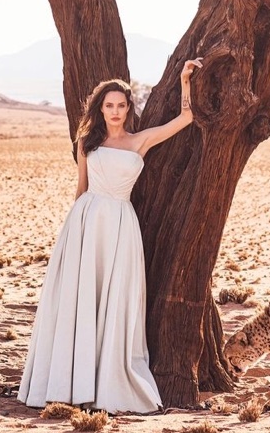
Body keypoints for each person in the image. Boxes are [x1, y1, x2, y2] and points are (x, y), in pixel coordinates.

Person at [17, 58, 203, 414]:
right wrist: (71, 237)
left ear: (128, 108)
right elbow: (81, 189)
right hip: (86, 223)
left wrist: (184, 82)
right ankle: (70, 382)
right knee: (80, 300)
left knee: (115, 301)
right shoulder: (86, 143)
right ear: (100, 109)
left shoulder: (139, 141)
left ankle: (107, 384)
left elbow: (186, 119)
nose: (115, 111)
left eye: (121, 105)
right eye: (109, 105)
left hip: (121, 224)